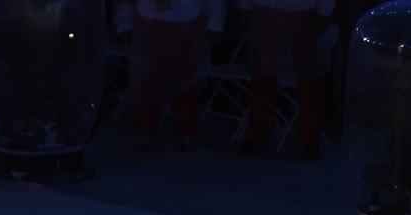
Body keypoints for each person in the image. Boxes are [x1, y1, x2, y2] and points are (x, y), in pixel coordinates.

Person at [115, 0, 228, 151]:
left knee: (188, 79)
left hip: (189, 22)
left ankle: (185, 131)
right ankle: (145, 130)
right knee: (146, 80)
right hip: (147, 22)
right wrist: (124, 24)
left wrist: (215, 25)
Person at [239, 0, 335, 159]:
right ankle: (258, 134)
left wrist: (323, 14)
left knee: (309, 82)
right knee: (262, 79)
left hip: (305, 17)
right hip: (263, 14)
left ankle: (309, 140)